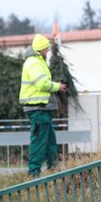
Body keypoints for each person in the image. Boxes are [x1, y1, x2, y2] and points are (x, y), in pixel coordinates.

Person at [20, 34, 67, 178]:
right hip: (37, 108)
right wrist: (57, 86)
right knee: (40, 141)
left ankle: (53, 169)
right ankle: (34, 172)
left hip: (41, 109)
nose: (48, 51)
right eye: (46, 48)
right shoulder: (34, 63)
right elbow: (42, 84)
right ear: (41, 49)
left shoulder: (37, 61)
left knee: (50, 141)